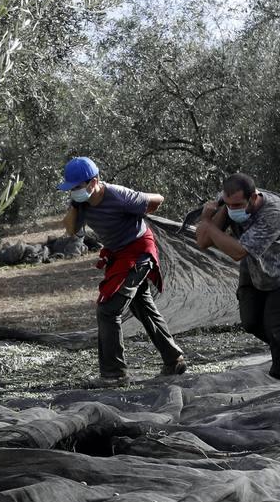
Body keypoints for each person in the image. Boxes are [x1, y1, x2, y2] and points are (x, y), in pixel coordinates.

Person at [59, 156, 185, 382]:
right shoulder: (81, 204)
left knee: (108, 309)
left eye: (77, 187)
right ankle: (173, 360)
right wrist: (75, 204)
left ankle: (114, 375)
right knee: (142, 306)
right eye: (71, 189)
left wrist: (140, 212)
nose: (73, 192)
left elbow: (157, 200)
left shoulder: (119, 195)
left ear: (93, 181)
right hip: (118, 255)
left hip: (138, 252)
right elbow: (70, 229)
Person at [193, 172, 280, 381]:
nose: (233, 210)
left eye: (238, 205)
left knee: (276, 328)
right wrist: (207, 218)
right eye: (229, 205)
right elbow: (203, 242)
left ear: (254, 197)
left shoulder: (273, 212)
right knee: (250, 322)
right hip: (255, 264)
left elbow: (237, 252)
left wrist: (209, 225)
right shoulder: (227, 202)